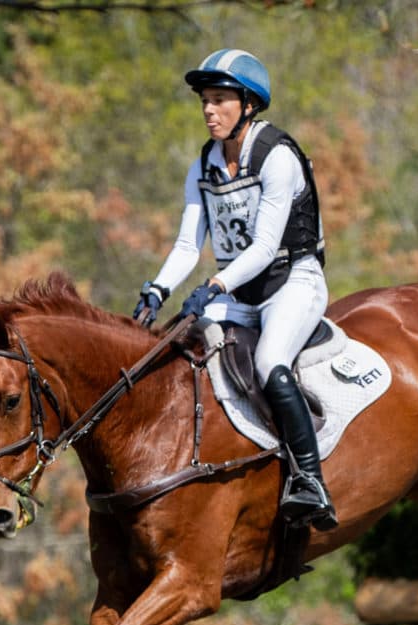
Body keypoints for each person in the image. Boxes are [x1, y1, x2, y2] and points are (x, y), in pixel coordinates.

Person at [133, 48, 336, 531]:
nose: (208, 110)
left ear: (248, 104)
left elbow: (266, 247)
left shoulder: (277, 156)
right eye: (205, 100)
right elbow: (188, 244)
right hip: (241, 293)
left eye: (219, 100)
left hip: (293, 282)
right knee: (180, 350)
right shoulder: (203, 163)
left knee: (269, 363)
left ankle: (311, 480)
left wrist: (215, 284)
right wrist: (158, 289)